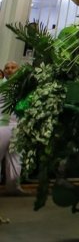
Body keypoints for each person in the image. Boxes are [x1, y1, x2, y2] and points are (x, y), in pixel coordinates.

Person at [0, 61, 28, 196]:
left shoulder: (25, 86)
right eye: (7, 68)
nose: (10, 70)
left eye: (13, 67)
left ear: (19, 69)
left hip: (18, 125)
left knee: (16, 157)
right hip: (1, 125)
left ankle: (13, 186)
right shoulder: (1, 84)